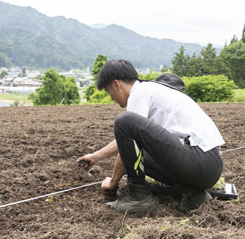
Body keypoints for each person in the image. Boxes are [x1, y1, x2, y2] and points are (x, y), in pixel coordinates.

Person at [77, 59, 224, 213]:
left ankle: (138, 197)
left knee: (123, 121)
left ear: (116, 84)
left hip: (200, 160)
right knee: (139, 152)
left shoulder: (139, 92)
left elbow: (126, 134)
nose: (111, 97)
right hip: (208, 167)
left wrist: (113, 181)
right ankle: (192, 192)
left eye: (108, 91)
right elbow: (126, 144)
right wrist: (95, 157)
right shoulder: (151, 90)